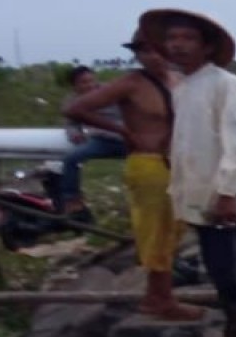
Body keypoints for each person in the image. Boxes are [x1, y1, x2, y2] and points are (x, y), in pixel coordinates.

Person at [139, 7, 236, 337]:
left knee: (232, 268)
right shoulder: (185, 87)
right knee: (222, 264)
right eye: (172, 38)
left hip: (219, 193)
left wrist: (227, 191)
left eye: (188, 38)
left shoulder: (226, 84)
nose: (178, 45)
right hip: (197, 191)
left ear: (207, 47)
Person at [63, 31, 204, 321]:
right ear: (137, 55)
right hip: (148, 163)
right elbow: (76, 108)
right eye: (144, 51)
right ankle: (160, 300)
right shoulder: (131, 83)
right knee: (155, 232)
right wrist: (122, 131)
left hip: (177, 162)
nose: (152, 56)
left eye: (156, 49)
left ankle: (159, 297)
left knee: (174, 230)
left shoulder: (178, 80)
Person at [59, 66, 127, 215]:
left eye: (91, 81)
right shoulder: (73, 101)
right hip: (102, 140)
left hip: (128, 137)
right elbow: (70, 123)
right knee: (71, 159)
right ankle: (72, 199)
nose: (90, 85)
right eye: (84, 82)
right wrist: (75, 134)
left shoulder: (111, 92)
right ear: (75, 86)